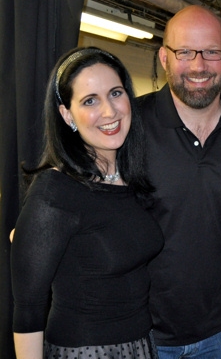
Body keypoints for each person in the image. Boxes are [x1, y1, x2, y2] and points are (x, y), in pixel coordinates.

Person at [10, 47, 163, 358]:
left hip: (140, 344)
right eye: (90, 101)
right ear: (67, 115)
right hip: (86, 350)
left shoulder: (129, 180)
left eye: (116, 93)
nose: (109, 111)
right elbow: (28, 308)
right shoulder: (56, 189)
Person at [137, 5, 221, 358]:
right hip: (138, 333)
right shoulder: (128, 127)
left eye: (212, 52)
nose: (199, 65)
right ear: (164, 57)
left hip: (216, 332)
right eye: (184, 51)